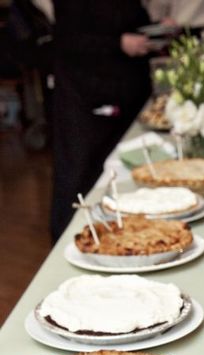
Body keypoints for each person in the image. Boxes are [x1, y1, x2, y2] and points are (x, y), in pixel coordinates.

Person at [51, 0, 152, 242]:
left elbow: (128, 20)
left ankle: (111, 239)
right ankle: (67, 243)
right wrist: (119, 43)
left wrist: (154, 28)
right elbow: (68, 40)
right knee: (77, 176)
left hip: (124, 93)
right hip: (84, 95)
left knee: (113, 177)